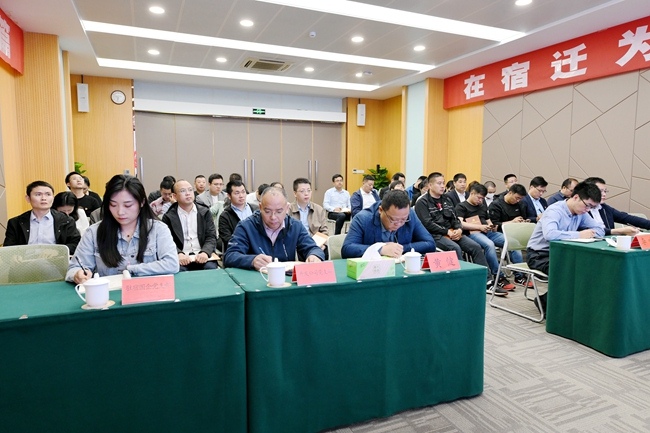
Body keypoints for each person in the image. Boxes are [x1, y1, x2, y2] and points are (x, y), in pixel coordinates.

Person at [66, 174, 179, 283]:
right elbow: (74, 268)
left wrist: (130, 269)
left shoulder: (158, 229)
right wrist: (78, 275)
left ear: (142, 202)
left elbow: (171, 264)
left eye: (127, 205)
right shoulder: (94, 232)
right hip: (108, 294)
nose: (120, 212)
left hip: (147, 292)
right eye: (113, 205)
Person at [526, 181, 605, 311]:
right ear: (576, 197)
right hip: (540, 255)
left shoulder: (581, 213)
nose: (588, 210)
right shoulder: (555, 210)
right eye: (587, 205)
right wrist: (579, 235)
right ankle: (546, 302)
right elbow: (550, 234)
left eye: (591, 207)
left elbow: (600, 229)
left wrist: (590, 233)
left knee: (588, 267)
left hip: (563, 253)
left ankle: (571, 304)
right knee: (569, 270)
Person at [414, 172, 495, 291]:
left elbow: (455, 218)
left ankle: (486, 280)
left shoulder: (447, 199)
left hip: (453, 232)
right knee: (455, 248)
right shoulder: (422, 202)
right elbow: (427, 224)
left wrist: (459, 229)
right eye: (439, 183)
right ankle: (461, 281)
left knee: (475, 247)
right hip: (435, 236)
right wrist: (447, 231)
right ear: (430, 185)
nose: (442, 186)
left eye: (443, 183)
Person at [223, 186, 325, 270]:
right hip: (257, 279)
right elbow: (230, 256)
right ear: (260, 207)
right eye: (267, 211)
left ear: (287, 208)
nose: (273, 217)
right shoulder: (246, 226)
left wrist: (314, 256)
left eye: (279, 211)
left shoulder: (295, 226)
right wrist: (252, 260)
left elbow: (313, 248)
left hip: (286, 280)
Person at [341, 190, 436, 258]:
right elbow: (347, 249)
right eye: (393, 220)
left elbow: (430, 244)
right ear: (381, 210)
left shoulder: (410, 214)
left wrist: (399, 249)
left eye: (403, 220)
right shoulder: (363, 219)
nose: (399, 224)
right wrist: (380, 249)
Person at [455, 183, 515, 291]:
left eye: (482, 198)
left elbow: (488, 220)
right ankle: (498, 276)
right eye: (479, 198)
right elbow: (460, 224)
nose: (480, 201)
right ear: (472, 193)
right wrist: (479, 227)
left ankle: (520, 275)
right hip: (473, 233)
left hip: (487, 231)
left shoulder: (482, 205)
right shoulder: (461, 206)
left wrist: (491, 226)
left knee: (510, 241)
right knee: (489, 245)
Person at [4, 180, 81, 254]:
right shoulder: (15, 223)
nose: (44, 198)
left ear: (53, 198)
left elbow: (75, 244)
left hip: (56, 260)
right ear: (28, 198)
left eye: (48, 194)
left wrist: (57, 251)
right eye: (38, 194)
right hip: (25, 261)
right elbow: (8, 249)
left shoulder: (66, 220)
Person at [162, 180, 217, 271]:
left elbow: (211, 236)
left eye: (190, 190)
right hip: (181, 256)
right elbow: (167, 241)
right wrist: (178, 253)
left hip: (202, 254)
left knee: (210, 269)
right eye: (183, 191)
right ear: (174, 196)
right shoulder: (168, 216)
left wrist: (205, 252)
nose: (188, 193)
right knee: (178, 270)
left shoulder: (205, 212)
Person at [487, 183, 532, 288]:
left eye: (520, 198)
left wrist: (524, 222)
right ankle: (517, 275)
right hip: (498, 232)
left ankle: (524, 273)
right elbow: (494, 225)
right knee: (513, 243)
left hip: (517, 232)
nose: (518, 200)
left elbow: (522, 218)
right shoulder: (496, 204)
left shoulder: (521, 204)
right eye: (517, 198)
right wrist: (512, 222)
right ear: (510, 193)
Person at [583, 176, 650, 235]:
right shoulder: (581, 209)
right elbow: (589, 231)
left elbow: (627, 218)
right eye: (600, 191)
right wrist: (618, 231)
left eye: (605, 191)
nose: (604, 194)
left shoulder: (605, 208)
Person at [218, 180, 259, 252]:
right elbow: (228, 240)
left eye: (243, 192)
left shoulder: (256, 210)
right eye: (237, 193)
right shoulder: (225, 216)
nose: (241, 196)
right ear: (229, 196)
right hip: (239, 251)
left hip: (258, 248)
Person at [288, 178, 328, 246]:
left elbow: (324, 231)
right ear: (295, 193)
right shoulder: (288, 210)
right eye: (302, 191)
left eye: (309, 190)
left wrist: (322, 245)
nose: (306, 193)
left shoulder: (318, 209)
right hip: (296, 245)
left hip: (315, 244)